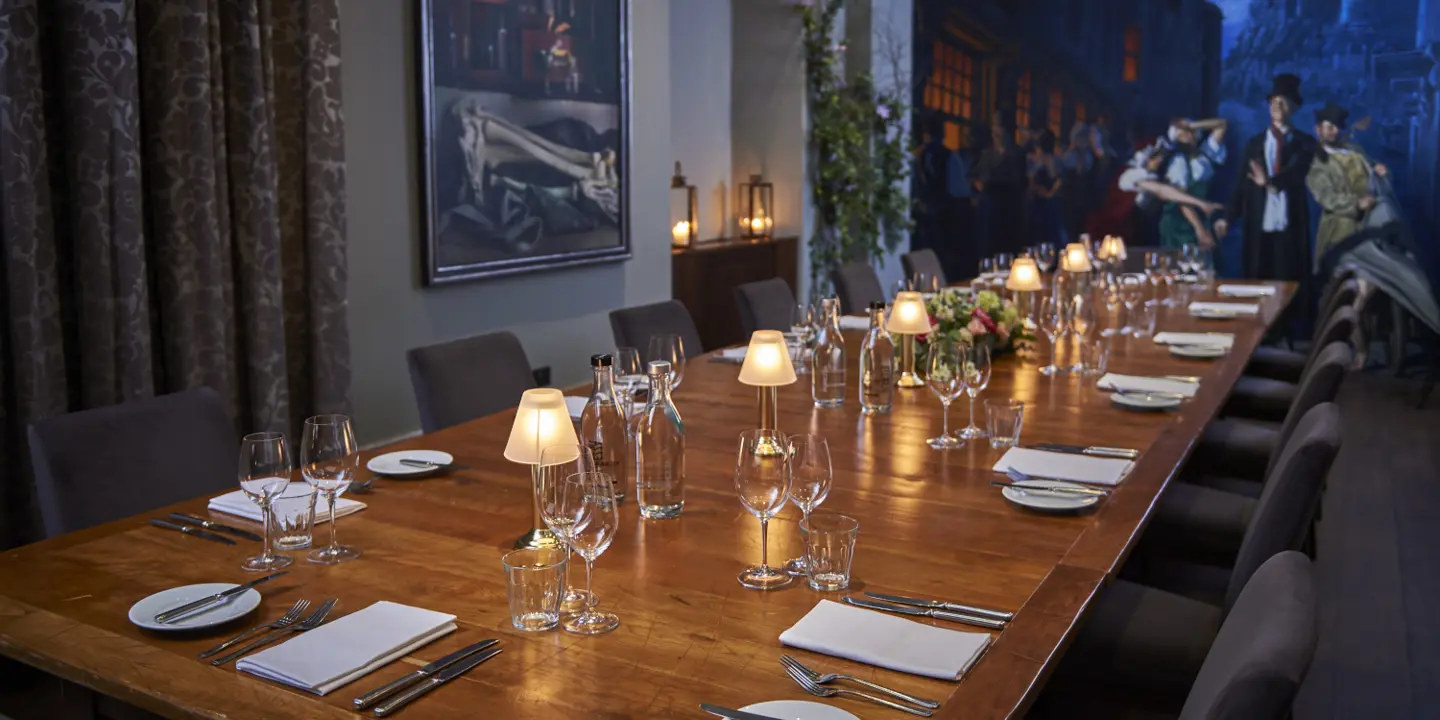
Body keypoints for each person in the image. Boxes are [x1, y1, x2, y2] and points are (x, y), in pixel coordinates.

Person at [1214, 74, 1317, 282]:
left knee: (1289, 288)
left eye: (1283, 101)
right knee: (1257, 282)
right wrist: (1227, 218)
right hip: (1259, 226)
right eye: (1273, 101)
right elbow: (1240, 185)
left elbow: (1296, 172)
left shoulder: (1304, 143)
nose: (1277, 105)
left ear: (1294, 107)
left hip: (1289, 229)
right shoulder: (1254, 144)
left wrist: (1269, 182)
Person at [1306, 102, 1393, 268]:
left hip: (1371, 221)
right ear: (1318, 129)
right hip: (1340, 228)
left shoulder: (1355, 150)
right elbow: (1327, 197)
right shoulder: (1318, 163)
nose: (1335, 131)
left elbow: (1374, 170)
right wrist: (1356, 203)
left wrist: (1381, 171)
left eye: (1338, 127)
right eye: (1330, 127)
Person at [1156, 117, 1228, 250]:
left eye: (1191, 131)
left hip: (1202, 218)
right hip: (1179, 224)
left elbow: (1221, 124)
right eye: (1184, 133)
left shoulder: (1205, 155)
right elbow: (1181, 199)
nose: (1189, 134)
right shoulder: (1177, 162)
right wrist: (1199, 230)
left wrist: (1192, 125)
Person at [971, 115, 1028, 256]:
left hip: (1010, 209)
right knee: (989, 249)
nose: (995, 130)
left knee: (1008, 248)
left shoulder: (1017, 154)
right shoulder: (986, 153)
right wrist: (980, 186)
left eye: (998, 126)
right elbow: (974, 175)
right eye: (994, 126)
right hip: (990, 208)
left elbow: (1021, 181)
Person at [1027, 130, 1067, 247]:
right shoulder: (1034, 160)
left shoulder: (1054, 160)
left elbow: (1057, 179)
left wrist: (1050, 193)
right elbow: (1031, 180)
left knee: (1051, 233)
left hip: (1050, 203)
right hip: (1038, 202)